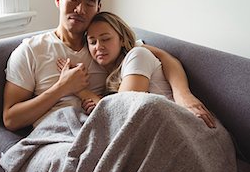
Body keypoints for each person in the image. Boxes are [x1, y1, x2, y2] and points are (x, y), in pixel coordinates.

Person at [3, 0, 214, 132]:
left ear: (98, 8)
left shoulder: (104, 47)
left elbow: (162, 56)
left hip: (106, 126)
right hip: (60, 130)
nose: (79, 9)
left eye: (89, 3)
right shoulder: (31, 51)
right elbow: (11, 119)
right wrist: (63, 86)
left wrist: (183, 95)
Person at [58, 11, 216, 128]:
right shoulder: (115, 76)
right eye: (92, 42)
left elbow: (123, 114)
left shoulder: (137, 55)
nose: (99, 46)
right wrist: (99, 105)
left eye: (106, 38)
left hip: (182, 124)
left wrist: (81, 91)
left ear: (121, 39)